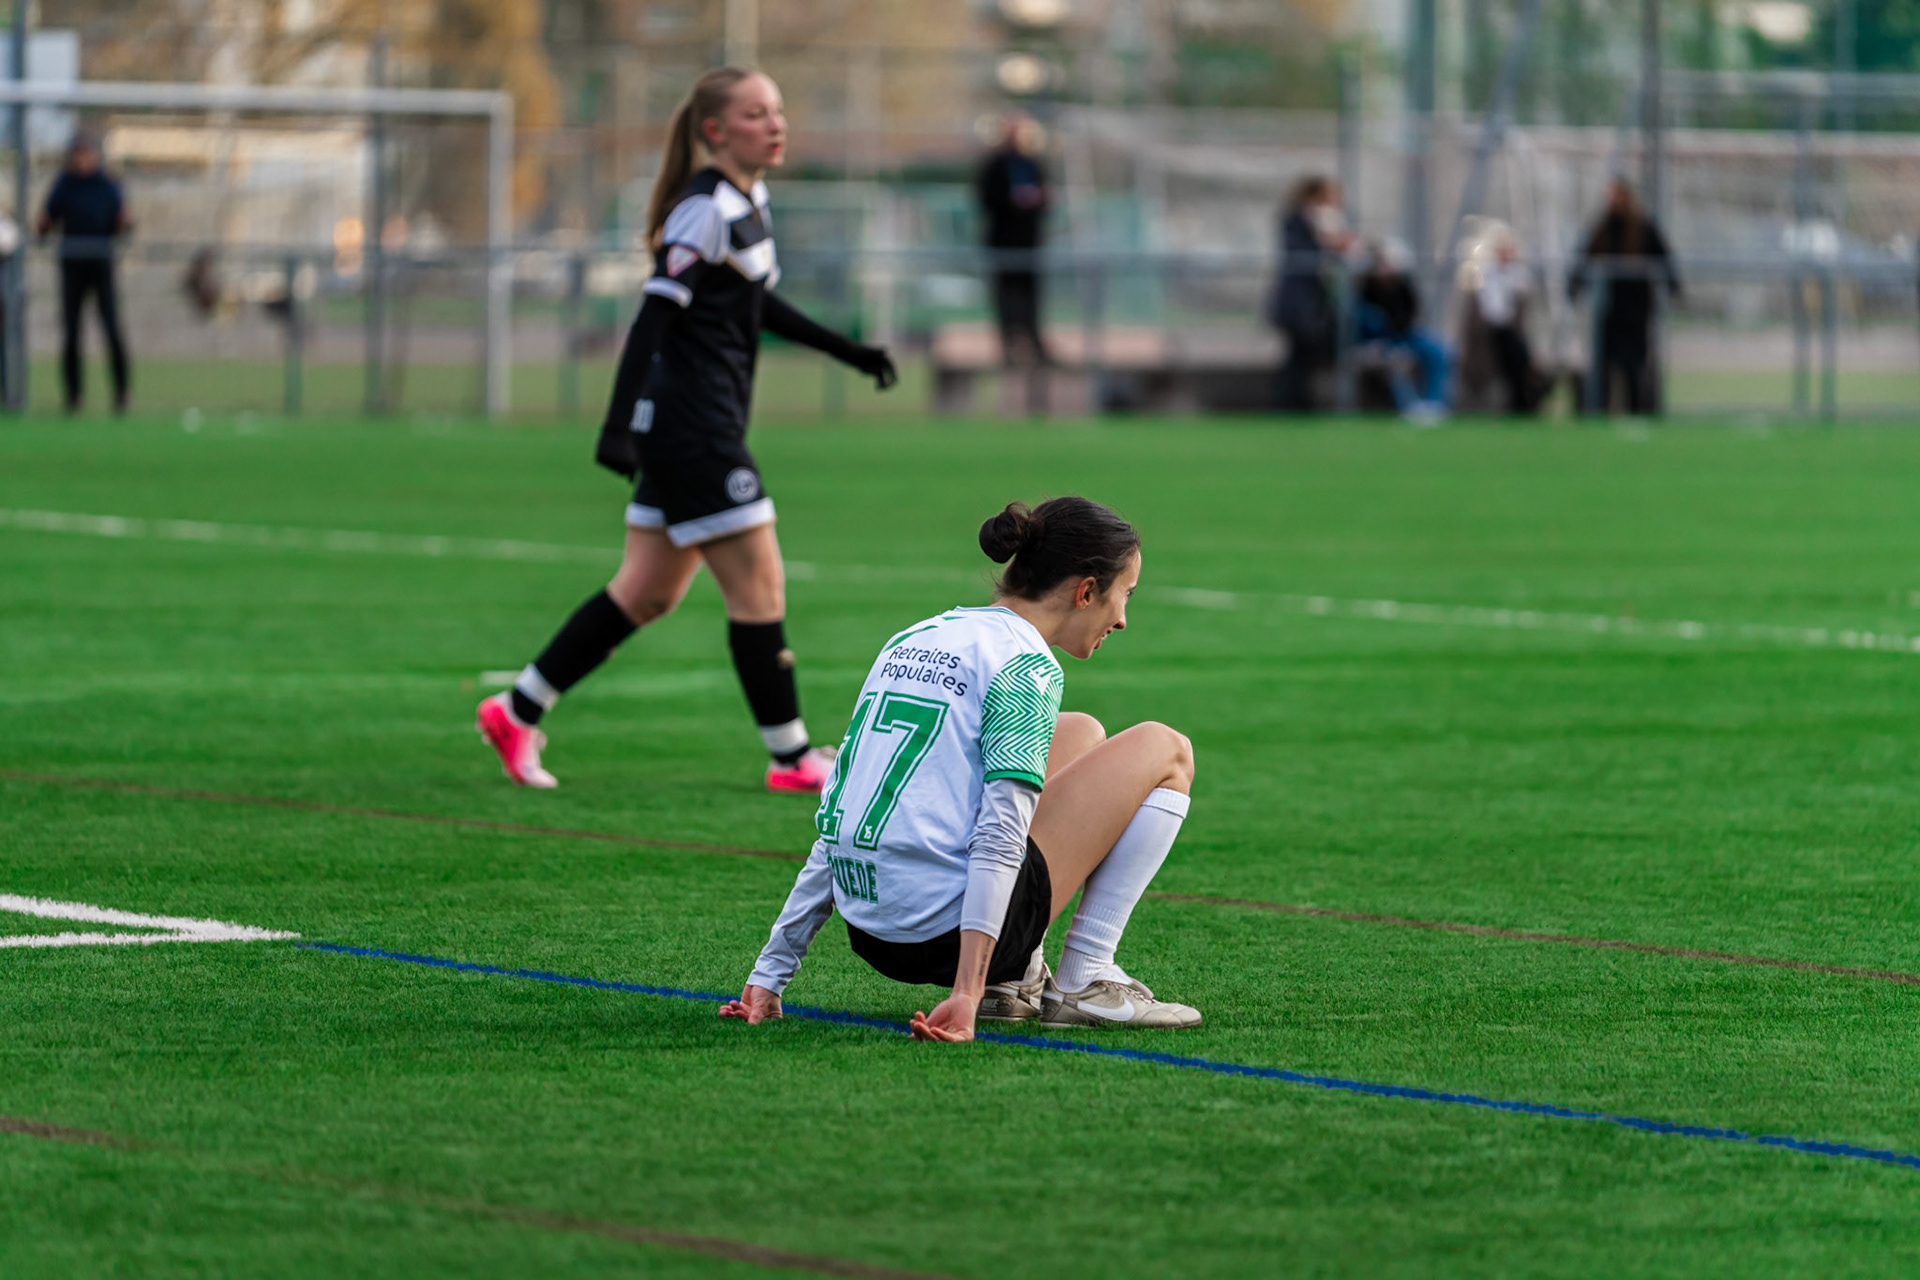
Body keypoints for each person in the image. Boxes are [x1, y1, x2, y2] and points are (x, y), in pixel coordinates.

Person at [477, 67, 897, 795]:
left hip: (698, 423)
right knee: (760, 585)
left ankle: (517, 710)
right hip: (691, 429)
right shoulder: (700, 209)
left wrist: (849, 350)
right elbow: (651, 322)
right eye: (757, 113)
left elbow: (754, 306)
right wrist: (617, 427)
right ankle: (793, 756)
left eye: (779, 110)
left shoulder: (748, 200)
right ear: (715, 131)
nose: (777, 124)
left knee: (645, 592)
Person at [720, 497, 1202, 1041]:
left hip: (874, 931)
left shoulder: (914, 638)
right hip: (944, 937)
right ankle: (1083, 979)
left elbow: (842, 812)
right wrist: (967, 992)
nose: (1121, 619)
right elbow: (1000, 834)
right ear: (1085, 591)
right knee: (1167, 749)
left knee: (1081, 734)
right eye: (1123, 596)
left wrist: (770, 973)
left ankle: (1014, 983)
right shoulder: (1025, 666)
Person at [38, 133, 132, 413]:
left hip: (101, 265)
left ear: (94, 156)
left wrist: (125, 224)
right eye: (77, 154)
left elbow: (123, 223)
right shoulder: (64, 185)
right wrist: (42, 225)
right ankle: (73, 396)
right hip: (72, 265)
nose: (81, 160)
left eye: (85, 154)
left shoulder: (108, 184)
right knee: (71, 332)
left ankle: (121, 393)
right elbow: (47, 220)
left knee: (112, 328)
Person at [1570, 177, 1679, 416]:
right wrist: (1574, 286)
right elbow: (1583, 257)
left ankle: (1637, 410)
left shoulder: (1642, 226)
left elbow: (1664, 257)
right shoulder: (1602, 227)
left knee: (1634, 364)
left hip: (1635, 309)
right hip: (1608, 309)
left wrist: (1673, 287)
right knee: (1605, 363)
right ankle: (1600, 409)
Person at [1269, 175, 1353, 413]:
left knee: (1302, 356)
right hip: (1297, 303)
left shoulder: (1321, 221)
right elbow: (1303, 254)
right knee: (1297, 355)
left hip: (1312, 302)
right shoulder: (1298, 220)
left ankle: (1297, 403)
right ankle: (1290, 404)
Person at [976, 113, 1051, 366]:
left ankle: (1034, 344)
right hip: (1003, 241)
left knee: (1031, 295)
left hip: (1028, 242)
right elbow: (986, 200)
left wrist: (1035, 201)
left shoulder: (1032, 164)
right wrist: (1012, 201)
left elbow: (1045, 200)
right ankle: (1008, 347)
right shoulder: (995, 166)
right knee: (1005, 295)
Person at [1356, 239, 1451, 424]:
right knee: (1397, 362)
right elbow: (1366, 323)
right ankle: (1410, 408)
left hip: (1406, 335)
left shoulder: (1404, 284)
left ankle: (1434, 405)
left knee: (1439, 351)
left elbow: (1411, 316)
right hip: (1381, 341)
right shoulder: (1367, 286)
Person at [1474, 231, 1538, 414]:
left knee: (1519, 366)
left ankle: (1523, 404)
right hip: (1495, 330)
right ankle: (1513, 405)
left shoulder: (1520, 274)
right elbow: (1489, 307)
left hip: (1514, 330)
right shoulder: (1490, 275)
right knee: (1504, 368)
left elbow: (1523, 304)